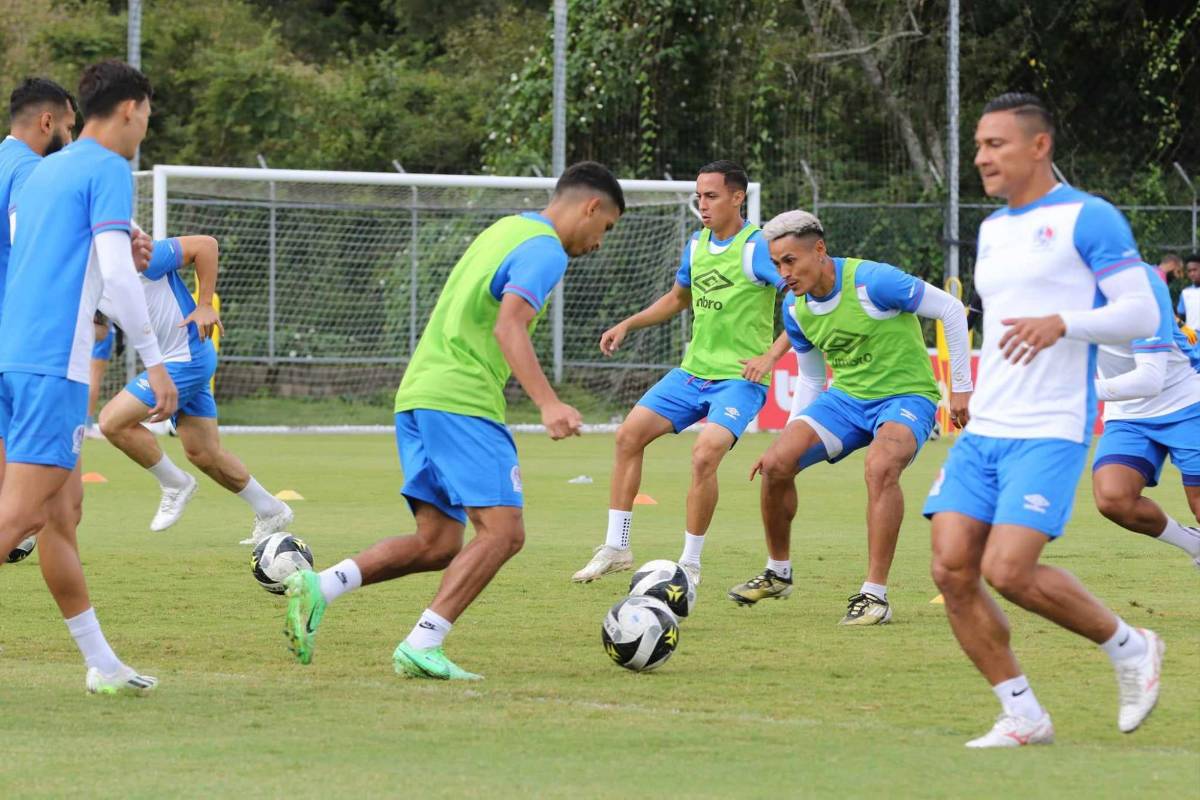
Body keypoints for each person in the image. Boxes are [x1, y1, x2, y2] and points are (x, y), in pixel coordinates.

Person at [281, 162, 624, 680]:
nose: (601, 243)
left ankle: (322, 585)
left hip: (419, 394)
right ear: (591, 206)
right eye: (607, 228)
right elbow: (511, 324)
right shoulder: (546, 249)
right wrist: (549, 403)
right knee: (504, 533)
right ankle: (424, 642)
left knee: (438, 542)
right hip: (461, 399)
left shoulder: (507, 228)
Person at [924, 93, 1165, 747]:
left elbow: (1141, 314)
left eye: (994, 144)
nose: (981, 157)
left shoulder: (1091, 218)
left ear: (1039, 146)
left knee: (1009, 570)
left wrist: (1065, 323)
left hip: (1051, 426)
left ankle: (1130, 645)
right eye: (977, 145)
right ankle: (1023, 714)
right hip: (987, 430)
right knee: (950, 568)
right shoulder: (992, 230)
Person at [0, 60, 177, 694]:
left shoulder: (47, 170)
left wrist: (115, 248)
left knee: (61, 515)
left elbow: (52, 252)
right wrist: (155, 362)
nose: (146, 129)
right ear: (130, 109)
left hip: (15, 354)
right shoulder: (106, 167)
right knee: (15, 520)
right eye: (148, 117)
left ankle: (102, 664)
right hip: (53, 364)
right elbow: (116, 273)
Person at [727, 210, 972, 625]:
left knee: (880, 467)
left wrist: (961, 389)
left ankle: (874, 596)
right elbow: (812, 376)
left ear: (819, 250)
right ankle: (778, 573)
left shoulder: (874, 281)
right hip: (845, 401)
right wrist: (788, 437)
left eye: (790, 261)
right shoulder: (795, 307)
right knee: (774, 465)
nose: (783, 272)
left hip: (905, 397)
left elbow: (950, 309)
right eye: (776, 264)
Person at [571, 160, 787, 586]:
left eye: (711, 196)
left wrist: (772, 355)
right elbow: (678, 298)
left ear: (737, 197)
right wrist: (627, 323)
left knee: (705, 452)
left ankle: (689, 563)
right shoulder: (697, 243)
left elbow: (802, 298)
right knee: (628, 435)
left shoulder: (758, 247)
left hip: (738, 380)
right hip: (692, 373)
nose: (702, 205)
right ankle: (617, 546)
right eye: (698, 197)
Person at [97, 235, 294, 544]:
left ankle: (174, 483)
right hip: (176, 361)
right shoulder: (85, 280)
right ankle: (271, 510)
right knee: (203, 453)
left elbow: (206, 245)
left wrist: (204, 305)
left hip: (185, 358)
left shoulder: (138, 256)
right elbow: (93, 327)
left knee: (112, 421)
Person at [1091, 272, 1200, 565]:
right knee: (1113, 498)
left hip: (1188, 402)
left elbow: (1150, 379)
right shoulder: (1057, 288)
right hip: (1128, 414)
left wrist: (1077, 391)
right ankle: (1196, 545)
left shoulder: (1141, 283)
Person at [1178, 254, 1200, 330]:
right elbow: (1181, 317)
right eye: (1189, 271)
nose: (1192, 274)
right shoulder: (1185, 293)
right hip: (1192, 339)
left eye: (1195, 270)